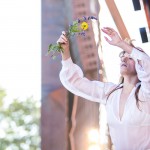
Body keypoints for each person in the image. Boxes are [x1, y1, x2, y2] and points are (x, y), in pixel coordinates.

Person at [57, 27, 150, 150]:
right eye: (123, 55)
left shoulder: (146, 93)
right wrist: (65, 53)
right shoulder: (110, 92)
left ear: (139, 67)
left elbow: (146, 63)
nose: (124, 58)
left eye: (130, 57)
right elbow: (75, 83)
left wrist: (121, 44)